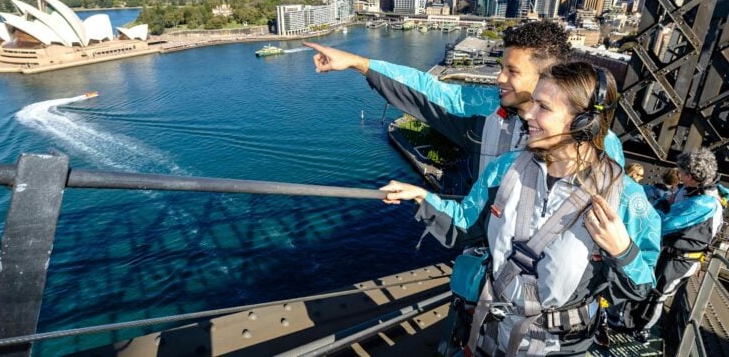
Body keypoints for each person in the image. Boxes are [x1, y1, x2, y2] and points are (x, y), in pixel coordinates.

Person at [380, 62, 660, 355]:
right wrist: (422, 198)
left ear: (583, 122)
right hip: (490, 334)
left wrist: (623, 250)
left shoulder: (624, 198)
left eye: (543, 107)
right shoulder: (506, 169)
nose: (527, 114)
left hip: (562, 347)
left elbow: (641, 289)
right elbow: (466, 226)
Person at [305, 21, 625, 199]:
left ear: (545, 76)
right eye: (501, 67)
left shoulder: (602, 149)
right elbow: (428, 91)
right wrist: (358, 62)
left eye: (511, 72)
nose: (499, 79)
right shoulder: (488, 110)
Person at [624, 148, 724, 343]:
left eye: (682, 172)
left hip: (680, 260)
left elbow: (664, 223)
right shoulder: (691, 190)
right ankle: (632, 322)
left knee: (658, 294)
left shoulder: (704, 203)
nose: (679, 175)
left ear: (693, 176)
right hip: (669, 253)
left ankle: (642, 329)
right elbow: (666, 203)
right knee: (649, 288)